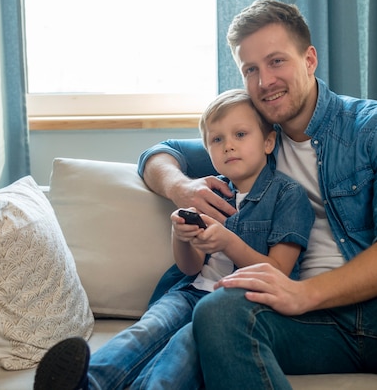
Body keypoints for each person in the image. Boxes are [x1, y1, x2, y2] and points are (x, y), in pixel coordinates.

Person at [137, 0, 377, 389]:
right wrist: (182, 187)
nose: (264, 81)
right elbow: (159, 154)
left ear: (309, 59)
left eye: (276, 61)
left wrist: (303, 293)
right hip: (306, 323)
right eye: (250, 69)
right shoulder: (255, 139)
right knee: (218, 312)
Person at [34, 89, 315, 390]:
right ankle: (85, 382)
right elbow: (191, 268)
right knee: (146, 330)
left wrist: (228, 242)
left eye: (240, 134)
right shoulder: (208, 191)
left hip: (238, 307)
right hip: (190, 292)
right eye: (217, 140)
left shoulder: (288, 195)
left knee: (180, 351)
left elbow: (278, 272)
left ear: (268, 142)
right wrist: (180, 235)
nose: (228, 146)